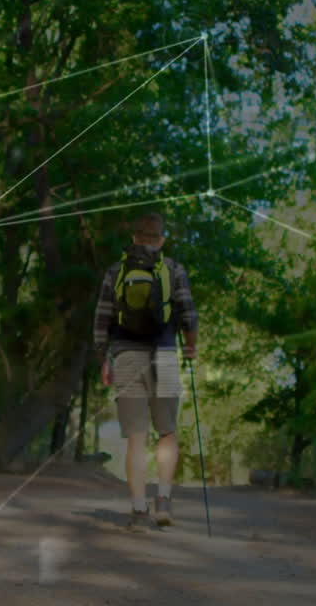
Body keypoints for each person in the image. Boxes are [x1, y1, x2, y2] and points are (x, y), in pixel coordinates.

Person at [93, 212, 197, 531]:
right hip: (164, 354)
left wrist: (103, 360)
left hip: (126, 357)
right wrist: (190, 348)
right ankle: (163, 500)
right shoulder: (174, 269)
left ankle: (139, 511)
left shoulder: (116, 271)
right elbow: (188, 315)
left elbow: (102, 319)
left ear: (135, 238)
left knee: (136, 437)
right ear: (161, 240)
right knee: (167, 431)